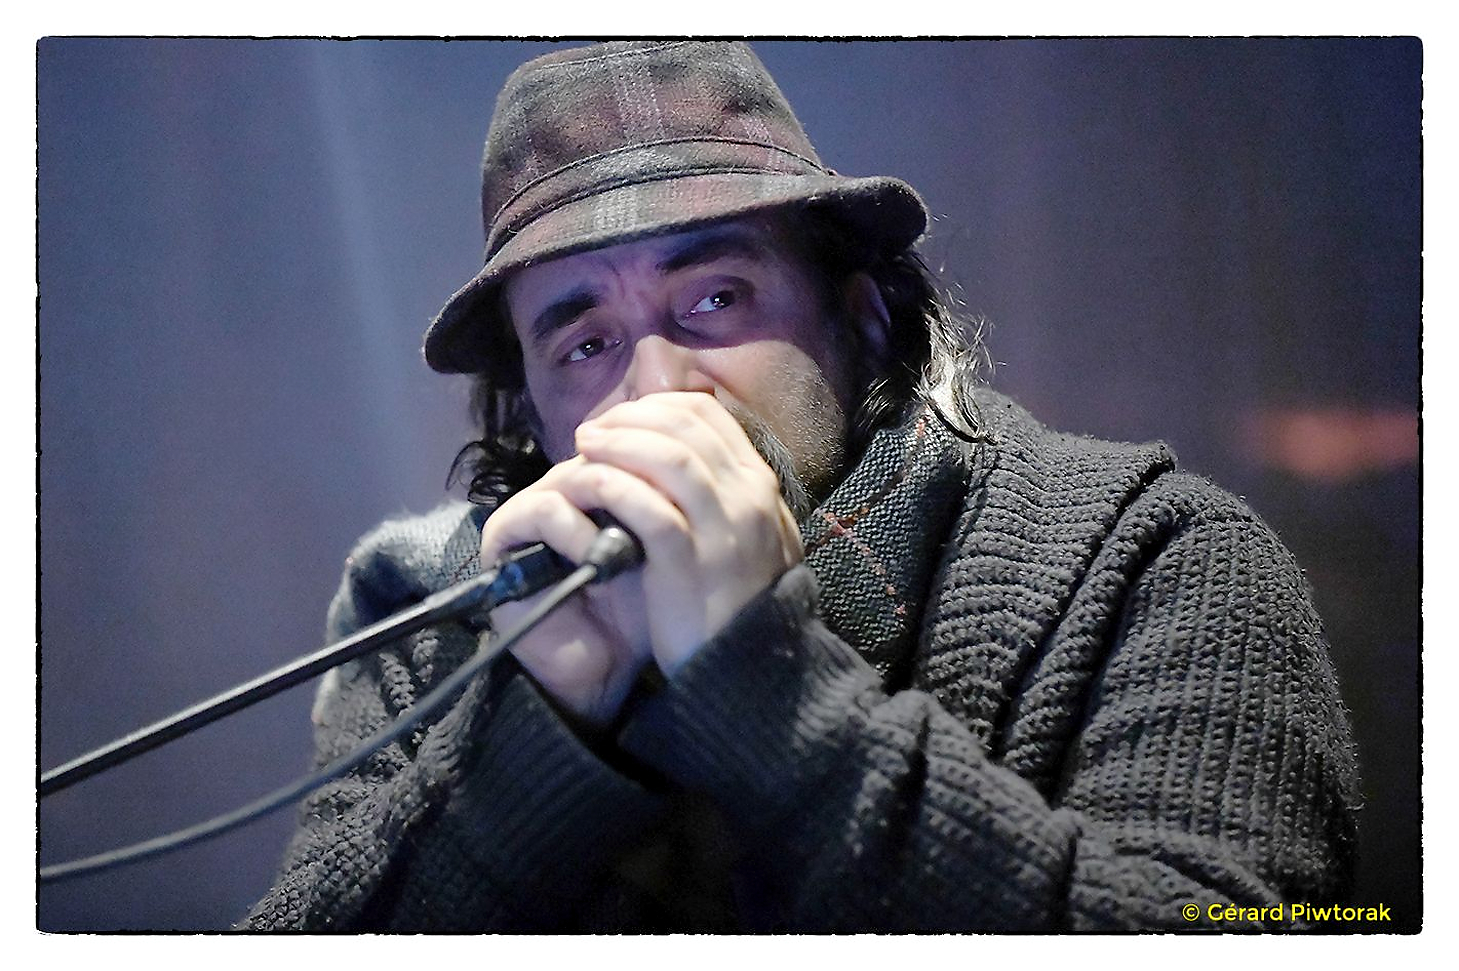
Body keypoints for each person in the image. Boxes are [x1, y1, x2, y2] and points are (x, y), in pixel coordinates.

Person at [245, 40, 1359, 932]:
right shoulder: (424, 608)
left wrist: (764, 690)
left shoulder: (1146, 558)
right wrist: (531, 739)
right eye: (583, 344)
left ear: (860, 314)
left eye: (715, 299)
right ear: (530, 416)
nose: (657, 387)